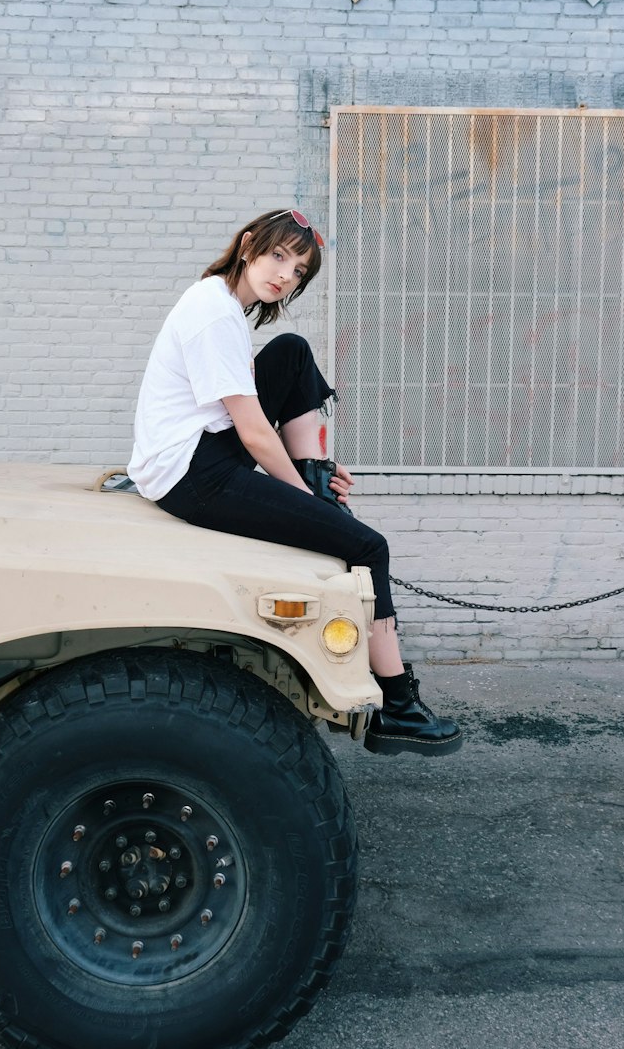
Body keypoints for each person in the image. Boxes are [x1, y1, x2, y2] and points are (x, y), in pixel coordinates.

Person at [128, 208, 462, 756]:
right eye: (278, 256)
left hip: (198, 454)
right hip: (191, 474)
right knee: (367, 545)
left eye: (300, 270)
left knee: (290, 352)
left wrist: (313, 481)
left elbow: (255, 416)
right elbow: (256, 433)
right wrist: (305, 502)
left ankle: (319, 476)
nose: (285, 274)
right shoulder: (214, 314)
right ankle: (397, 706)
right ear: (248, 244)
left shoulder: (224, 304)